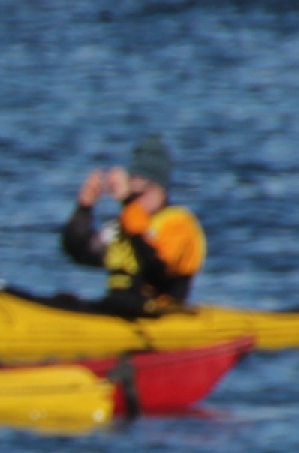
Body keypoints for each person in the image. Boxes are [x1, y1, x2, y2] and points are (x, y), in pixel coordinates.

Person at [60, 135, 206, 318]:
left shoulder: (179, 223)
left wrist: (127, 202)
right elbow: (81, 251)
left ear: (160, 188)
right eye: (132, 187)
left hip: (154, 313)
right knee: (63, 300)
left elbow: (156, 268)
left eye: (142, 190)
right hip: (118, 310)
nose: (136, 197)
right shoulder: (127, 223)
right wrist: (84, 207)